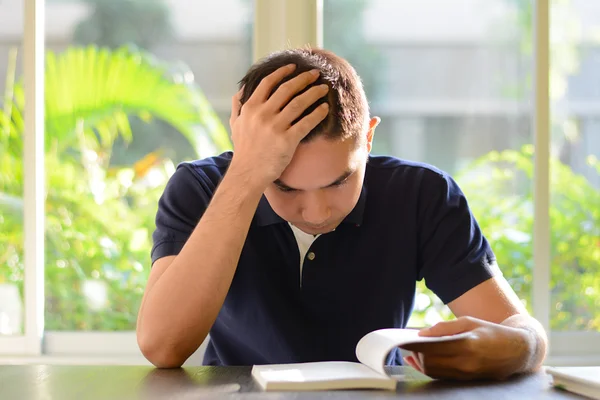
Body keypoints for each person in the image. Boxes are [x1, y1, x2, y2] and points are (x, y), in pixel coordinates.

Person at [136, 47, 547, 380]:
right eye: (284, 185)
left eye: (338, 181)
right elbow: (161, 346)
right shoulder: (202, 189)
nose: (316, 211)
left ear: (368, 137)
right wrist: (246, 176)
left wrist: (515, 348)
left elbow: (522, 330)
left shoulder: (422, 194)